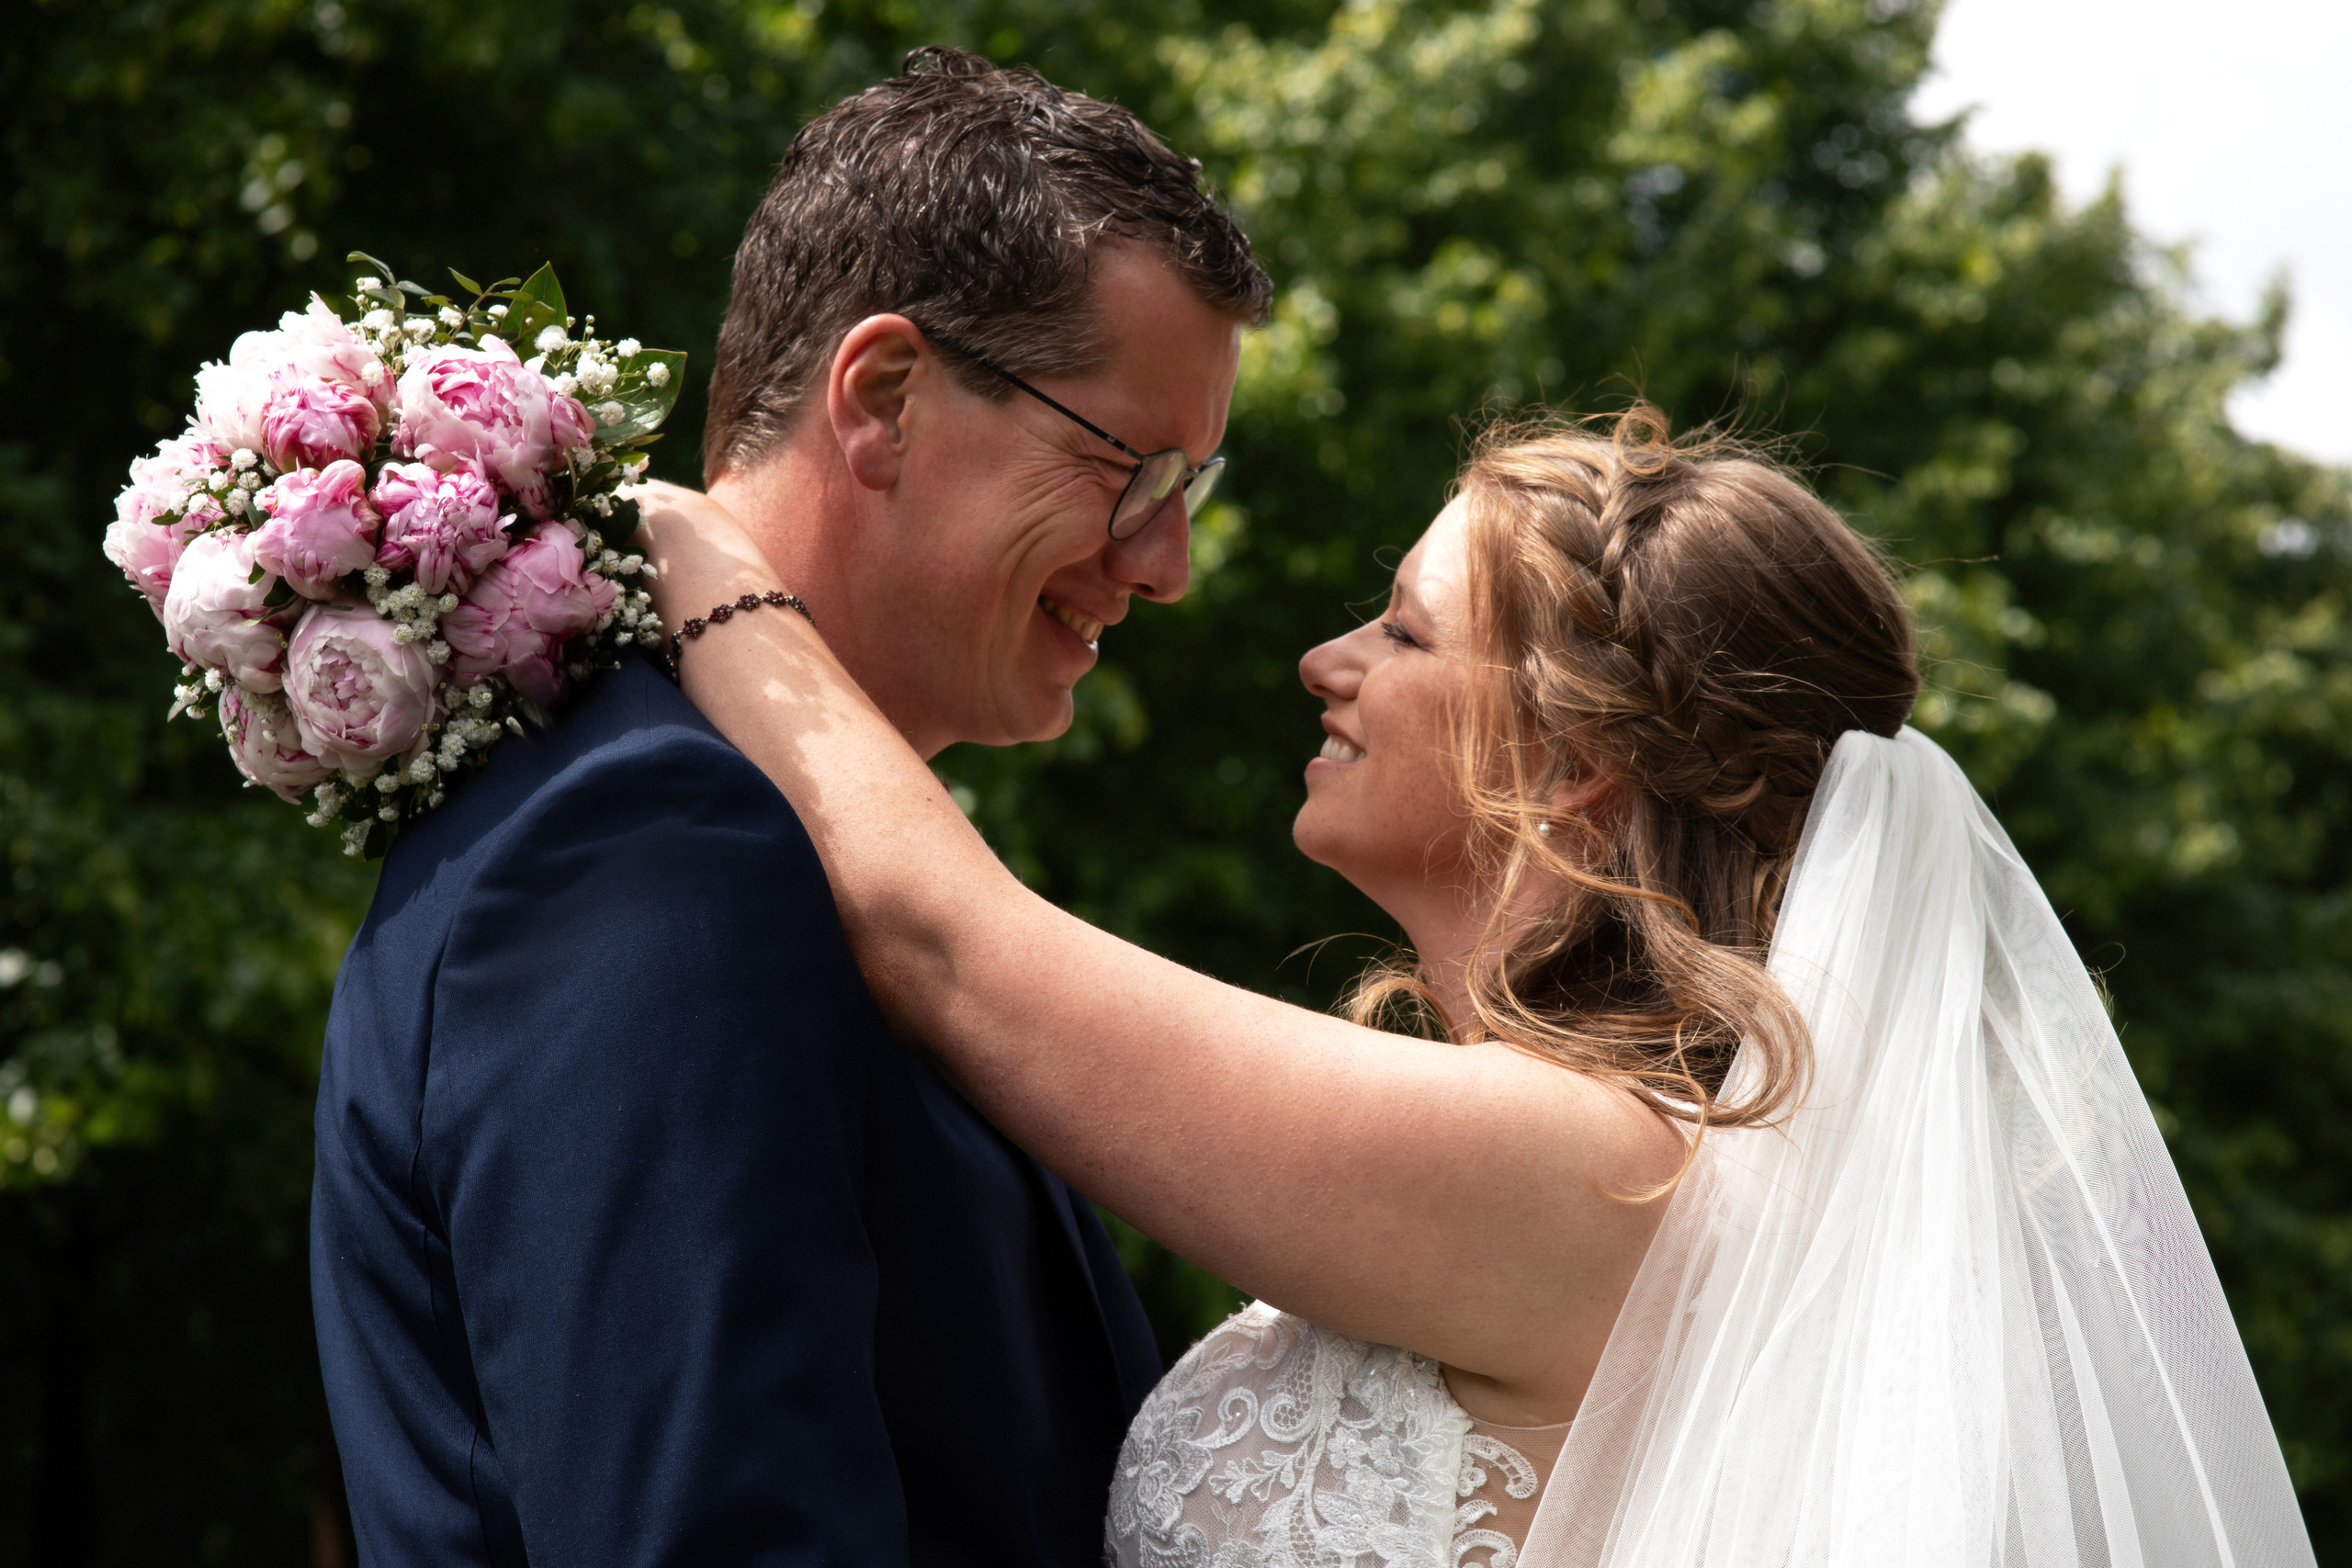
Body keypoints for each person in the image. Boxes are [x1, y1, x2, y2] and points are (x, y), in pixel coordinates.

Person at [632, 407, 2316, 1565]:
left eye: (1406, 633)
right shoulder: (1609, 1173)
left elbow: (944, 942)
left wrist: (687, 542)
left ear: (1574, 762)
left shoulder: (1601, 1171)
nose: (1323, 660)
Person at [310, 48, 1268, 1565]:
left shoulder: (762, 831)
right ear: (882, 397)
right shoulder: (644, 847)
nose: (1168, 563)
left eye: (1191, 489)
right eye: (1134, 468)